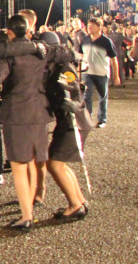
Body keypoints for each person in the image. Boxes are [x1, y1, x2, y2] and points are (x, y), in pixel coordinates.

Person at [0, 15, 72, 231]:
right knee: (35, 161)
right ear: (27, 30)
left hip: (16, 112)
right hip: (39, 110)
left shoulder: (7, 54)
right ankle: (37, 198)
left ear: (9, 31)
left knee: (19, 166)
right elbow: (66, 52)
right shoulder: (41, 49)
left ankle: (26, 216)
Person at [40, 31, 93, 222]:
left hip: (73, 122)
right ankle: (78, 200)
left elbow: (76, 94)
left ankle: (75, 205)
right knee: (59, 163)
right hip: (69, 121)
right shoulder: (54, 68)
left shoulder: (63, 69)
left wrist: (74, 104)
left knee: (54, 164)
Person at [78, 17, 119, 127]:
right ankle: (88, 119)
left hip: (101, 73)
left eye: (92, 26)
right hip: (87, 73)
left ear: (99, 27)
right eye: (88, 25)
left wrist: (116, 76)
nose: (89, 28)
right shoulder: (85, 40)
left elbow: (114, 59)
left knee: (102, 97)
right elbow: (80, 55)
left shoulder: (106, 41)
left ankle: (102, 120)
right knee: (86, 96)